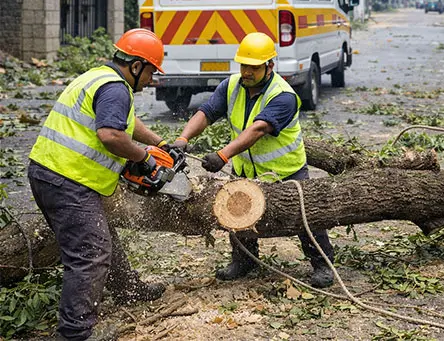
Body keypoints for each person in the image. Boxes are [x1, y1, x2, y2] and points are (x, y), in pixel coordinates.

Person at [28, 29, 171, 341]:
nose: (151, 81)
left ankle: (128, 289)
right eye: (150, 72)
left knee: (100, 234)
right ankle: (74, 333)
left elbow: (126, 123)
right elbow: (111, 135)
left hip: (51, 173)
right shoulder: (116, 89)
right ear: (136, 66)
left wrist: (159, 143)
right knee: (90, 252)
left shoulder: (100, 77)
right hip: (66, 179)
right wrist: (144, 159)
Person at [168, 32, 335, 288]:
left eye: (253, 67)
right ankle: (244, 261)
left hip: (287, 171)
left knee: (305, 218)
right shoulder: (231, 86)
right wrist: (183, 139)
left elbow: (257, 130)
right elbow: (206, 113)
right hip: (246, 168)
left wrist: (222, 155)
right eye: (244, 65)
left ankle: (322, 264)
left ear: (270, 67)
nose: (246, 72)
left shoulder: (284, 96)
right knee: (236, 211)